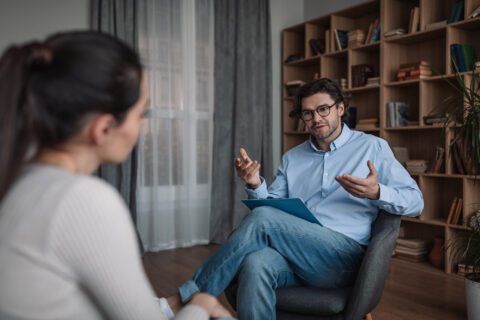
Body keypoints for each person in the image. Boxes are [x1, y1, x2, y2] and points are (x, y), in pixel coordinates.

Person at [0, 31, 232, 320]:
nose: (142, 127)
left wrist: (172, 304)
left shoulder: (18, 180)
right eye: (141, 115)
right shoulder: (83, 202)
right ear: (104, 128)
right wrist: (203, 306)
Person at [167, 78, 424, 319]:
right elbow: (273, 207)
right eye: (308, 113)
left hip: (344, 259)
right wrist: (255, 184)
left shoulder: (372, 147)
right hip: (297, 256)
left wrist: (377, 192)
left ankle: (187, 299)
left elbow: (416, 202)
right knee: (256, 264)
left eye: (324, 109)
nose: (316, 118)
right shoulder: (293, 157)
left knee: (264, 218)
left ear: (341, 108)